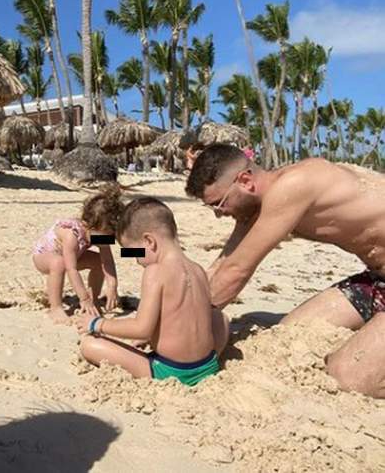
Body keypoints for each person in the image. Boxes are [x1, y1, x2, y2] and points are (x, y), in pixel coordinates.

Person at [185, 143, 385, 398]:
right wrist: (181, 305)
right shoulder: (260, 200)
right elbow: (224, 262)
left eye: (219, 204)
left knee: (349, 376)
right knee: (291, 333)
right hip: (377, 280)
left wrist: (186, 324)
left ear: (245, 180)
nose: (218, 214)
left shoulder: (291, 187)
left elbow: (237, 271)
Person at [74, 197, 229, 385]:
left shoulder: (154, 272)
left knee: (89, 345)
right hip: (208, 364)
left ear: (149, 241)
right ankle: (206, 363)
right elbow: (183, 316)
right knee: (219, 317)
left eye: (135, 253)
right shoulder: (198, 270)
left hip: (170, 370)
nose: (137, 261)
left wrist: (97, 324)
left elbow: (142, 329)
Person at [32, 184, 124, 324]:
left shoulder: (99, 233)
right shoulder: (71, 236)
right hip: (44, 256)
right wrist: (83, 298)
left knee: (98, 261)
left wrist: (112, 285)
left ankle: (94, 299)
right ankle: (55, 307)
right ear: (89, 226)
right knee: (59, 263)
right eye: (107, 235)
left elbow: (107, 261)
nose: (107, 240)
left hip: (73, 257)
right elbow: (72, 269)